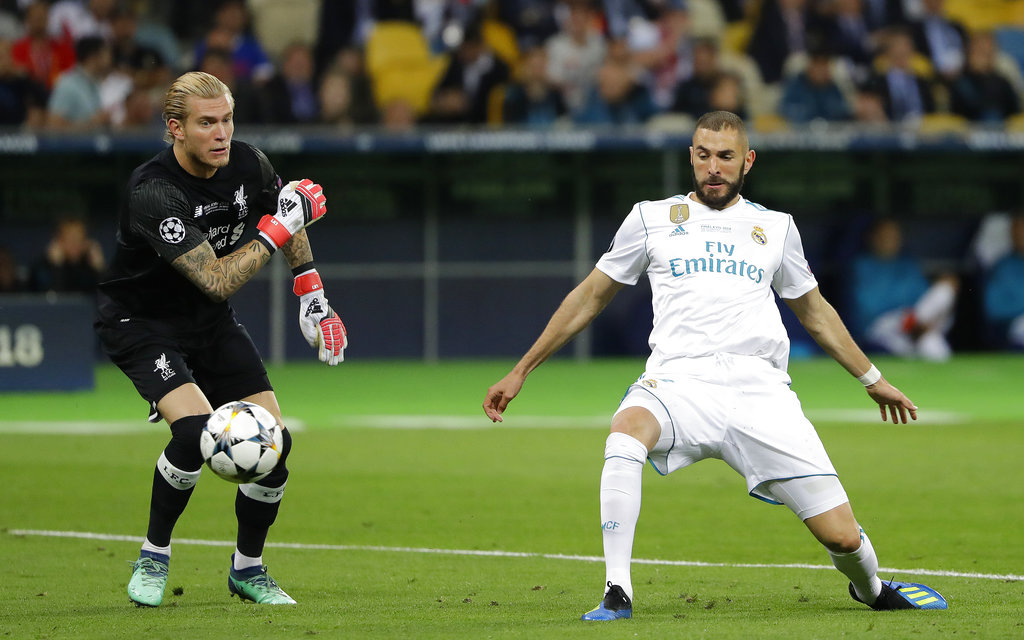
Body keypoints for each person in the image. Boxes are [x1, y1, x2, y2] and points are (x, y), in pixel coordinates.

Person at [483, 110, 948, 621]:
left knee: (840, 534)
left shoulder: (775, 227)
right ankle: (617, 590)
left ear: (747, 161)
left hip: (761, 392)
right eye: (703, 155)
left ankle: (872, 588)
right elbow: (590, 297)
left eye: (725, 156)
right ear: (691, 157)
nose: (713, 167)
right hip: (679, 381)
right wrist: (521, 369)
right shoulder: (649, 217)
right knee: (625, 433)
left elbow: (815, 313)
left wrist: (873, 379)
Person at [94, 71, 347, 608]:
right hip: (140, 322)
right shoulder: (153, 193)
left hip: (207, 321)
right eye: (206, 123)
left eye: (227, 119)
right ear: (175, 129)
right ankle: (153, 555)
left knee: (276, 445)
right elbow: (217, 277)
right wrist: (277, 229)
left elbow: (288, 213)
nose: (221, 133)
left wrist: (311, 289)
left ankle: (247, 570)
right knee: (191, 432)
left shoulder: (250, 163)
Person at [849, 218, 958, 362]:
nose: (889, 241)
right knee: (913, 344)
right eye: (884, 236)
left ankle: (917, 327)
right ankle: (915, 327)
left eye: (893, 237)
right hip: (884, 326)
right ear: (872, 238)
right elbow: (867, 308)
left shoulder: (908, 264)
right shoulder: (861, 266)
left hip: (916, 321)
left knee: (938, 352)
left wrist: (922, 320)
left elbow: (925, 299)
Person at [30, 215, 105, 293]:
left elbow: (104, 299)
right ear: (58, 240)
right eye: (70, 238)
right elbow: (56, 300)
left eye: (79, 238)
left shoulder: (88, 268)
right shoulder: (43, 269)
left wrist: (99, 269)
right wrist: (57, 267)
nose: (75, 244)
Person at [982, 214, 1024, 349]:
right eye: (1017, 229)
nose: (1019, 234)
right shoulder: (1003, 267)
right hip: (1017, 324)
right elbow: (993, 309)